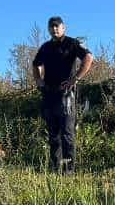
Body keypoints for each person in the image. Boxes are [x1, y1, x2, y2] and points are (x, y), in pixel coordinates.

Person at [31, 16, 93, 173]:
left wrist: (76, 78)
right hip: (49, 94)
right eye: (51, 27)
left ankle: (69, 170)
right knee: (53, 134)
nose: (54, 29)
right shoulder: (45, 47)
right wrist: (38, 80)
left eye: (57, 26)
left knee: (67, 134)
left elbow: (88, 57)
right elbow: (36, 64)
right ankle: (55, 168)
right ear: (48, 29)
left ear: (63, 28)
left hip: (66, 94)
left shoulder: (71, 43)